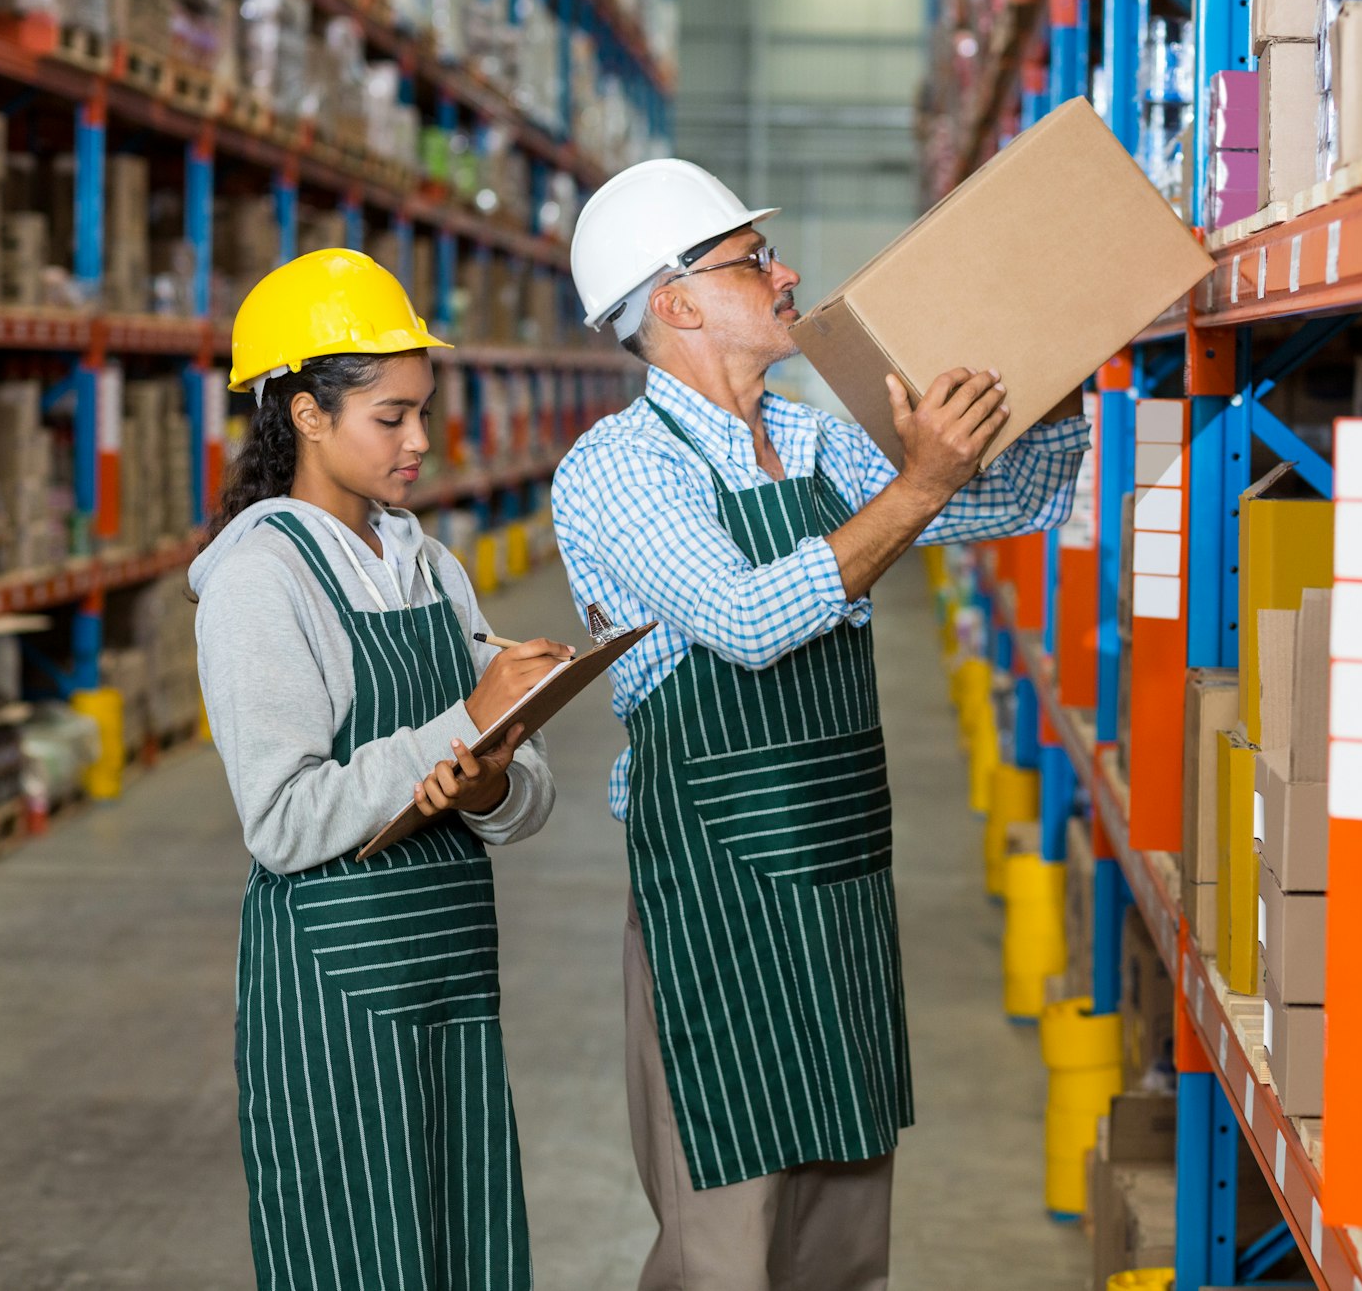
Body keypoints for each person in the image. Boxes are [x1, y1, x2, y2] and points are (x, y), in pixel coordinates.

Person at [554, 160, 1091, 1289]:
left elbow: (1006, 496)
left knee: (844, 1231)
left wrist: (1056, 351)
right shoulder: (616, 469)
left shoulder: (812, 443)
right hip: (717, 904)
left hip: (839, 885)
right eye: (752, 260)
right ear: (676, 301)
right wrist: (918, 484)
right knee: (729, 1237)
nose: (785, 272)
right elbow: (749, 619)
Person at [190, 248, 569, 1290]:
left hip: (450, 970)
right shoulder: (259, 579)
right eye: (388, 416)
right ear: (307, 415)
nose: (417, 441)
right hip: (335, 989)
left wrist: (490, 779)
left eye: (422, 412)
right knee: (358, 1259)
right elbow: (281, 816)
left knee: (464, 1247)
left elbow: (518, 787)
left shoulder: (427, 562)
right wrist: (461, 724)